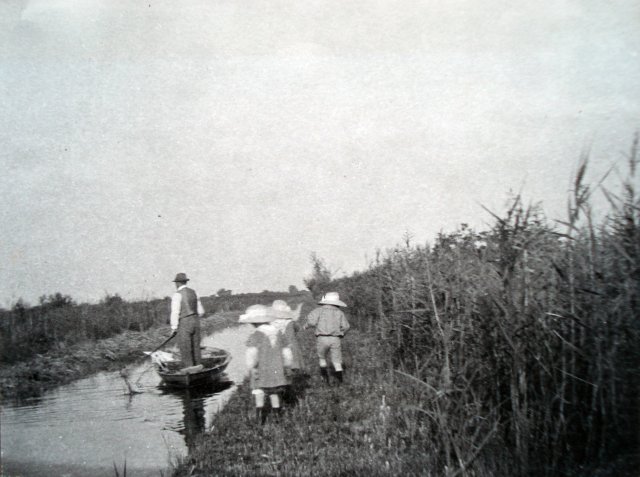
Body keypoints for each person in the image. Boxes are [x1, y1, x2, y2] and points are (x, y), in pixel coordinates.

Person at [239, 304, 293, 425]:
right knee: (274, 393)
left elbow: (251, 354)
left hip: (261, 369)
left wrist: (251, 367)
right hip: (276, 370)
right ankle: (278, 419)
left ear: (254, 323)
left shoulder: (256, 335)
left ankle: (260, 420)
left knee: (259, 393)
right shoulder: (279, 333)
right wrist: (287, 365)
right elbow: (287, 352)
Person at [305, 292, 350, 385]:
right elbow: (346, 326)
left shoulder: (318, 311)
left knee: (322, 358)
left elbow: (312, 322)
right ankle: (339, 382)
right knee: (337, 361)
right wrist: (341, 333)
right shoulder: (340, 312)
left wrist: (306, 325)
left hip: (322, 338)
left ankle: (325, 379)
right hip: (335, 339)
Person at [170, 273, 206, 367]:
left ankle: (189, 370)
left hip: (184, 323)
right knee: (196, 346)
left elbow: (175, 313)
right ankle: (198, 367)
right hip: (196, 321)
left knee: (185, 348)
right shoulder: (194, 292)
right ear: (186, 282)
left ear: (177, 283)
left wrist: (174, 327)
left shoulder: (177, 295)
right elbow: (201, 311)